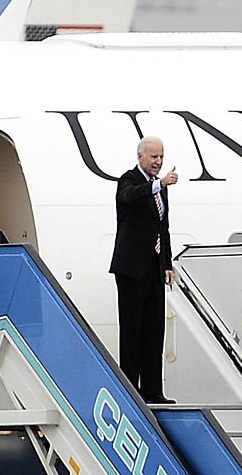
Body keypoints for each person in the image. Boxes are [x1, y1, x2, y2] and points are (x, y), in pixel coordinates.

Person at [109, 136, 179, 404]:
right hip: (130, 269)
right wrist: (158, 184)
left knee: (154, 330)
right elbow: (129, 197)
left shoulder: (160, 188)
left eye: (161, 157)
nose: (158, 162)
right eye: (153, 157)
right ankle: (130, 388)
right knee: (132, 330)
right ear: (140, 157)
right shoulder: (129, 181)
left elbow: (163, 226)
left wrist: (167, 264)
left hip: (153, 267)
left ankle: (153, 390)